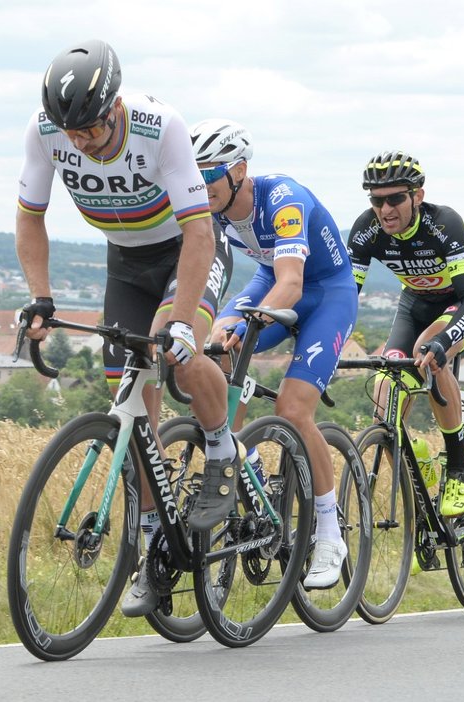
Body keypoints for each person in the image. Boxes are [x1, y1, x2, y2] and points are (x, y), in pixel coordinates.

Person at [14, 39, 238, 616]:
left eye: (89, 129)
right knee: (135, 407)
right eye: (71, 132)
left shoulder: (159, 126)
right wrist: (40, 295)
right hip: (126, 264)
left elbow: (199, 232)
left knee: (178, 359)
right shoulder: (46, 132)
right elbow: (29, 217)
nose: (80, 143)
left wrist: (183, 322)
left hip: (187, 251)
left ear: (114, 106)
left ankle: (222, 447)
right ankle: (153, 543)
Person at [189, 118, 358, 589]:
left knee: (292, 408)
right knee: (216, 351)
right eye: (193, 174)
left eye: (209, 174)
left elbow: (292, 282)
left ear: (239, 169)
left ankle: (328, 532)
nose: (199, 185)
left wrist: (248, 322)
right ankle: (244, 456)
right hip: (270, 280)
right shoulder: (211, 209)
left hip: (324, 293)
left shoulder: (283, 199)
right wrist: (212, 326)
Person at [348, 151, 464, 518]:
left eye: (395, 198)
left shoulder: (444, 223)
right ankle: (421, 472)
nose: (385, 209)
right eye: (376, 200)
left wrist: (444, 342)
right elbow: (344, 297)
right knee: (385, 396)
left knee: (428, 353)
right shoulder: (366, 230)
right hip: (415, 303)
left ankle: (459, 467)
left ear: (417, 195)